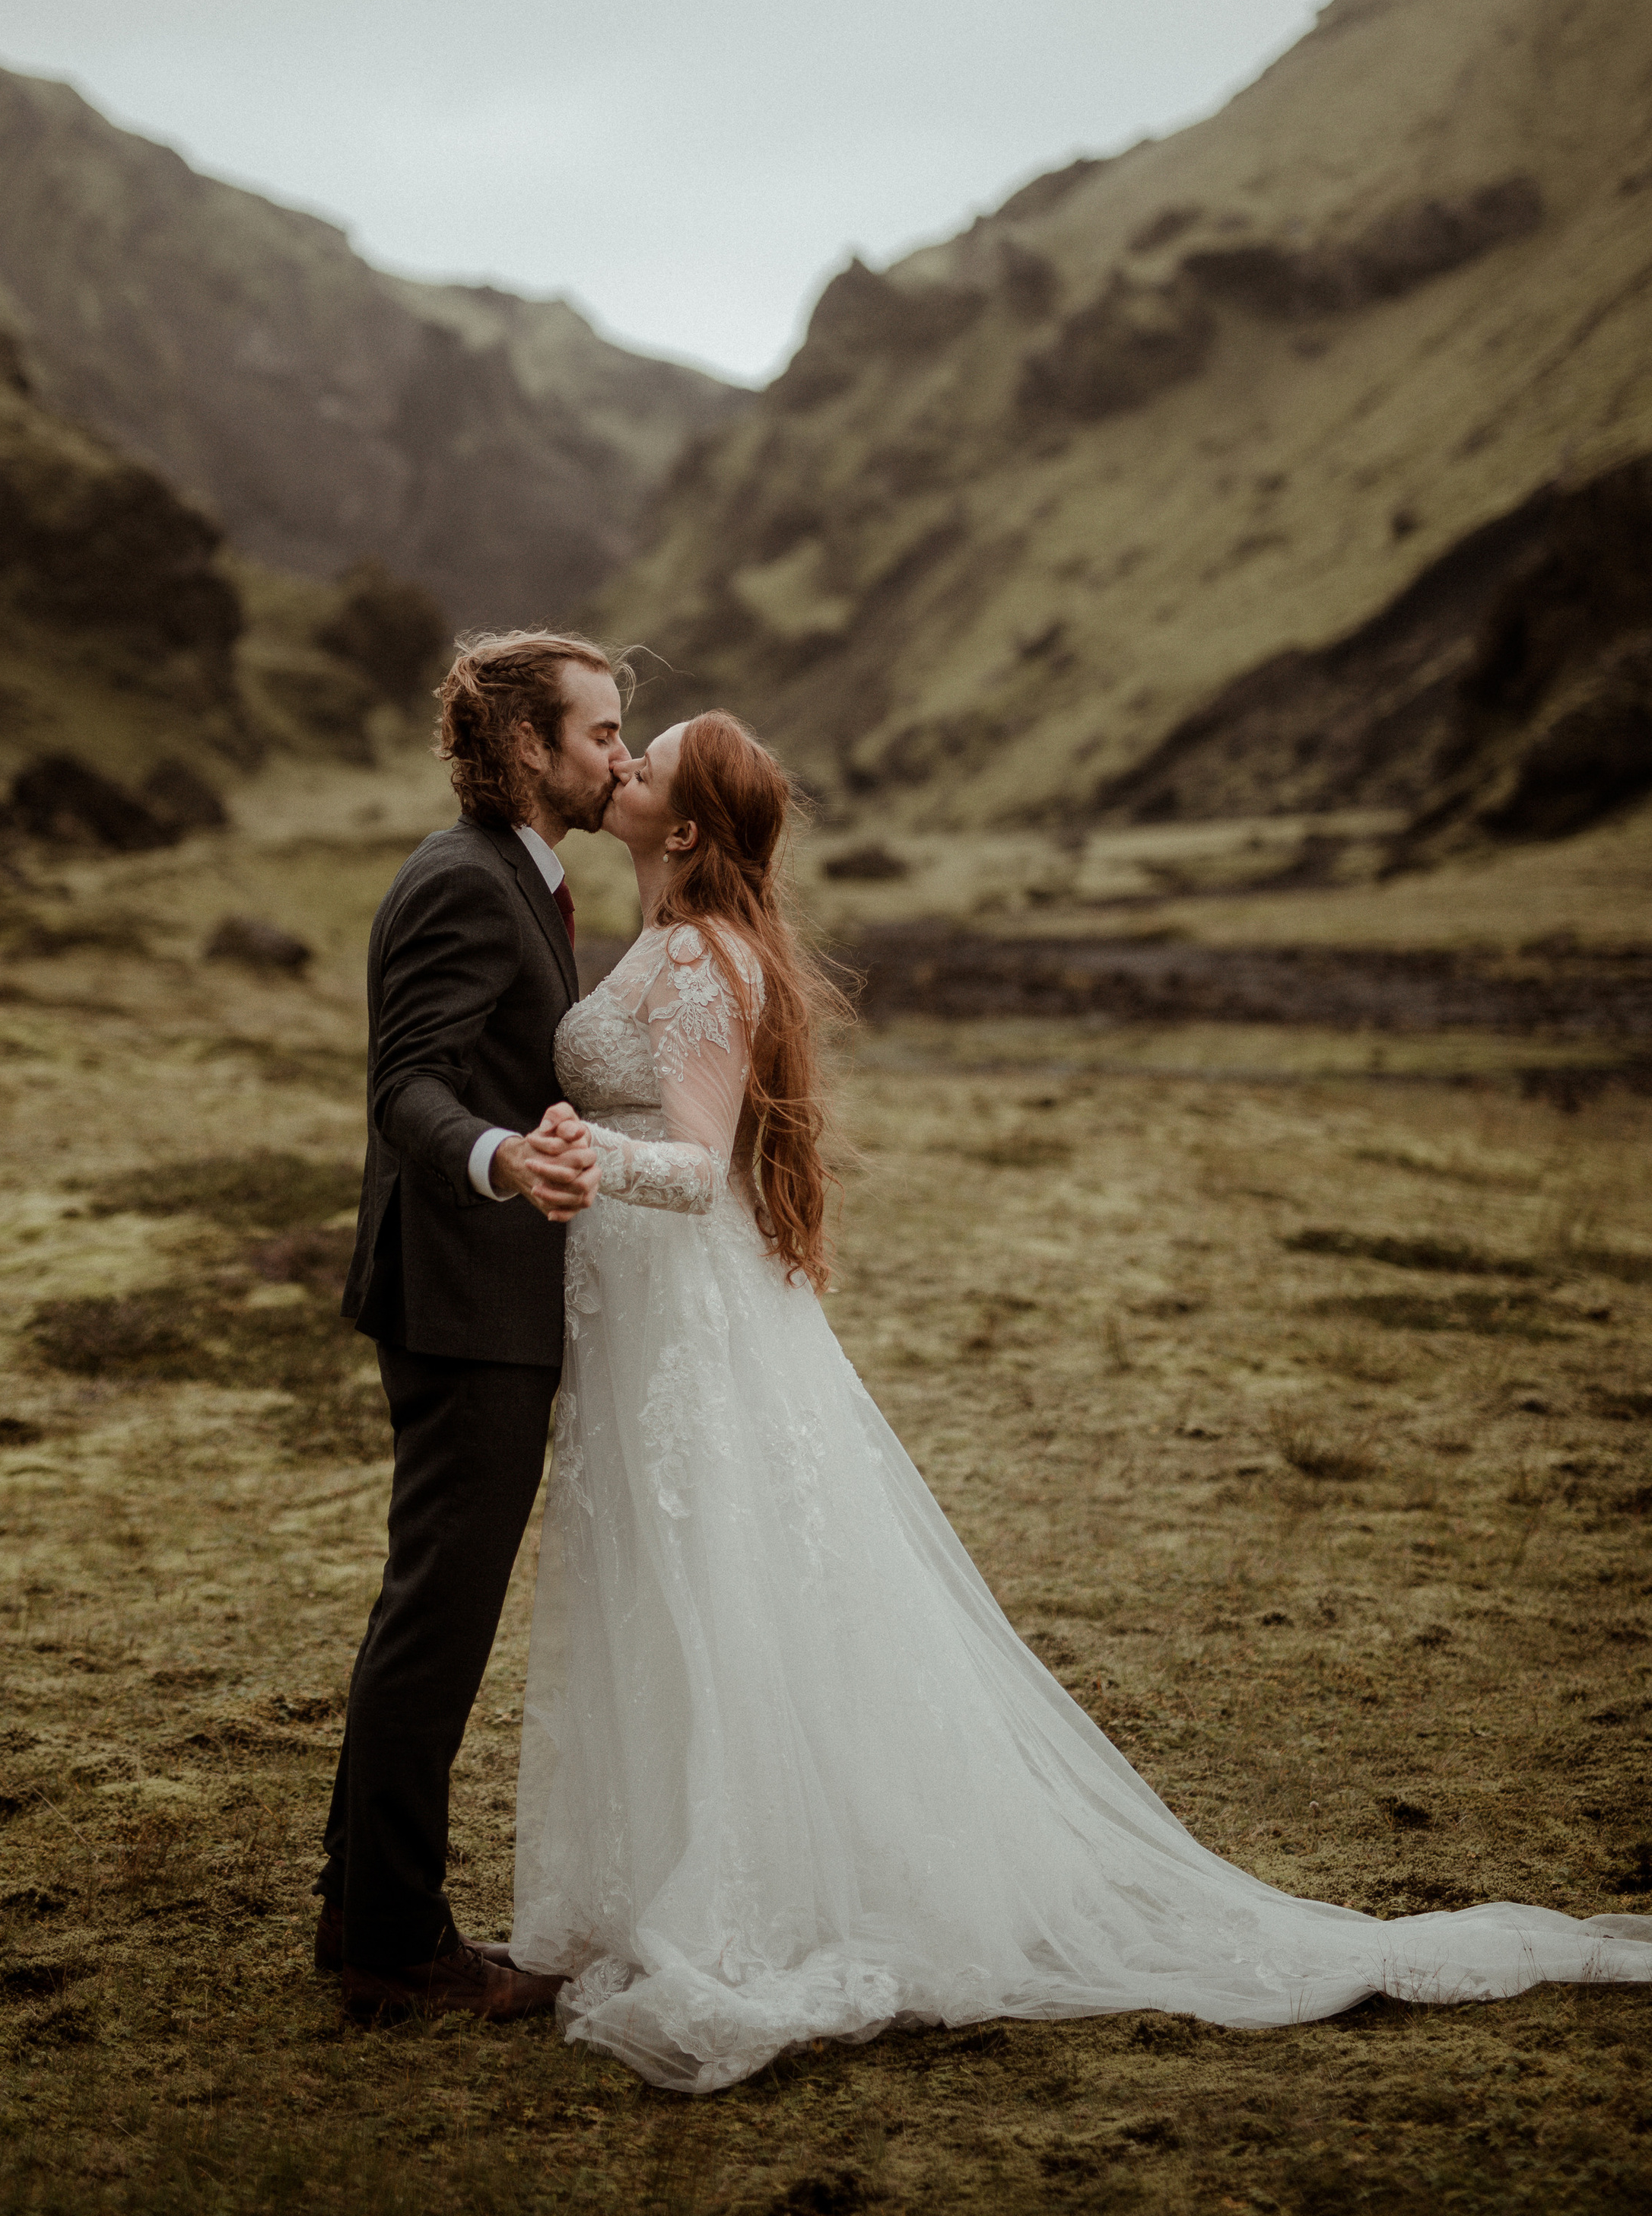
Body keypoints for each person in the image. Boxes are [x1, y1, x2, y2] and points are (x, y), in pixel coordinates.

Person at [507, 708, 1652, 2093]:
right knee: (673, 1582)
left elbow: (698, 1172)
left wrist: (564, 1152)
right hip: (651, 1323)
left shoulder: (696, 959)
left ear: (683, 828)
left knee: (709, 1582)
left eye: (648, 761)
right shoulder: (672, 941)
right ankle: (675, 1873)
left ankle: (736, 1894)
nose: (618, 767)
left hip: (687, 1322)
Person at [316, 628, 628, 2024]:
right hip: (463, 1305)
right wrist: (502, 1158)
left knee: (436, 1607)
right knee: (437, 1616)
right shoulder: (462, 882)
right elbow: (408, 1087)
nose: (620, 755)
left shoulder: (525, 877)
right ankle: (389, 1946)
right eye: (601, 732)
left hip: (491, 1298)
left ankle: (373, 1920)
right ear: (524, 749)